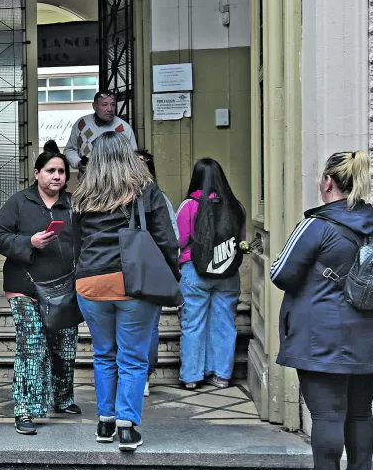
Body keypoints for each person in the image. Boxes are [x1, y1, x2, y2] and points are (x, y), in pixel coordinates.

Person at [270, 151, 373, 470]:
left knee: (327, 414)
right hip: (370, 331)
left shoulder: (317, 226)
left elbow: (281, 273)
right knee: (360, 413)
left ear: (327, 182)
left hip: (322, 334)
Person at [72, 133, 179, 451]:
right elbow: (166, 239)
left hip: (90, 283)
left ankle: (105, 422)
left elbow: (75, 246)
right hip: (134, 283)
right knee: (132, 358)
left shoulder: (82, 196)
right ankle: (127, 427)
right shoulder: (145, 190)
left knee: (104, 355)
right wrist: (170, 277)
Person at [0, 141, 80, 435]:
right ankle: (24, 410)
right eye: (51, 170)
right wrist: (29, 242)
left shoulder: (74, 206)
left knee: (65, 348)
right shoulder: (19, 202)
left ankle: (63, 399)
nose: (57, 176)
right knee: (31, 347)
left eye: (62, 172)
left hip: (64, 288)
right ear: (37, 173)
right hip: (24, 286)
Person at [176, 159, 246, 390]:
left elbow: (181, 240)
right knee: (225, 323)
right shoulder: (236, 206)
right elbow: (241, 238)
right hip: (228, 273)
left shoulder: (189, 205)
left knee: (193, 324)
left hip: (195, 271)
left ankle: (192, 377)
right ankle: (221, 375)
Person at [137, 150, 177, 396]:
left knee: (137, 325)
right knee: (148, 325)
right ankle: (142, 376)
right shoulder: (159, 197)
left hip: (132, 270)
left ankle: (137, 375)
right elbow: (173, 236)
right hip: (151, 268)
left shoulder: (115, 195)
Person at [64, 90, 138, 173]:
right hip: (86, 181)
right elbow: (70, 149)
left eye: (113, 104)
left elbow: (133, 157)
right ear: (94, 106)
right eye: (104, 105)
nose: (110, 109)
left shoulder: (123, 128)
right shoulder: (82, 124)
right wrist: (78, 163)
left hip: (115, 182)